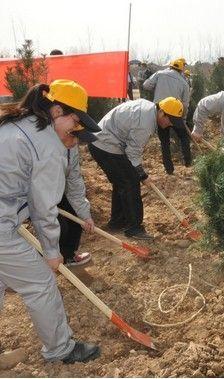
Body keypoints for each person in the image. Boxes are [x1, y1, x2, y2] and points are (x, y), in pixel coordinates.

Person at [0, 80, 101, 363]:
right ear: (57, 111)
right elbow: (44, 207)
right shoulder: (46, 144)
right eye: (75, 120)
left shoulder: (18, 125)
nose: (76, 129)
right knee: (41, 284)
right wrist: (53, 253)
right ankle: (61, 349)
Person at [89, 97, 184, 240]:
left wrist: (140, 172)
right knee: (130, 182)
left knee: (122, 181)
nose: (170, 125)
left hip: (104, 142)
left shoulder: (148, 109)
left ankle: (118, 222)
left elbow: (132, 152)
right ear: (162, 112)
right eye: (170, 120)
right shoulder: (144, 124)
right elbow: (132, 153)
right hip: (105, 145)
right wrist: (142, 175)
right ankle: (134, 228)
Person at [143, 58, 191, 173]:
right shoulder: (184, 83)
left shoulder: (160, 74)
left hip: (160, 113)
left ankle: (169, 169)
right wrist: (182, 119)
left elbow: (146, 85)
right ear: (181, 69)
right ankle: (188, 163)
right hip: (176, 115)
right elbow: (185, 104)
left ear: (170, 66)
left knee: (164, 142)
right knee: (184, 137)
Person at [57, 145, 95, 267]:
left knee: (75, 216)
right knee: (58, 226)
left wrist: (85, 216)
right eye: (71, 135)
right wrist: (44, 203)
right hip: (26, 195)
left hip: (55, 189)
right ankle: (48, 259)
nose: (74, 141)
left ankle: (67, 256)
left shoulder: (71, 147)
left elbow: (74, 181)